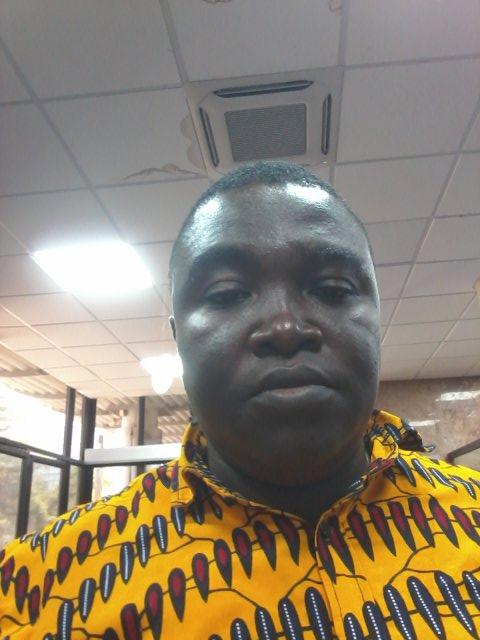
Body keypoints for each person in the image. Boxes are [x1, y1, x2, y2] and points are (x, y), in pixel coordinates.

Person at [1, 161, 479, 640]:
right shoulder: (35, 591)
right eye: (227, 294)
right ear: (178, 340)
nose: (285, 327)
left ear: (376, 319)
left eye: (332, 289)